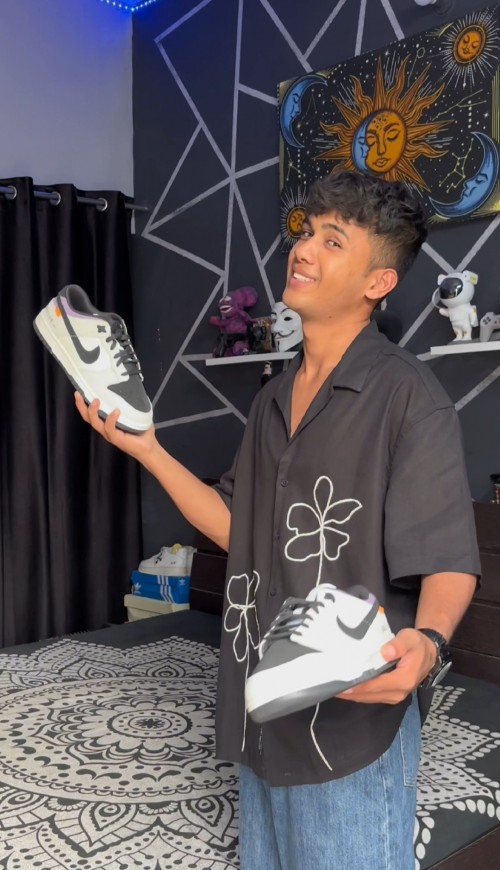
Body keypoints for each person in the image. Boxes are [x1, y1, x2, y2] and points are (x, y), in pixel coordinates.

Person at [75, 169, 480, 870]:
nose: (304, 249)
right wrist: (146, 449)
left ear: (378, 282)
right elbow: (238, 529)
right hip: (262, 700)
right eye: (306, 232)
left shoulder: (410, 398)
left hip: (350, 724)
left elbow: (448, 557)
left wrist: (430, 642)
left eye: (333, 240)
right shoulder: (272, 399)